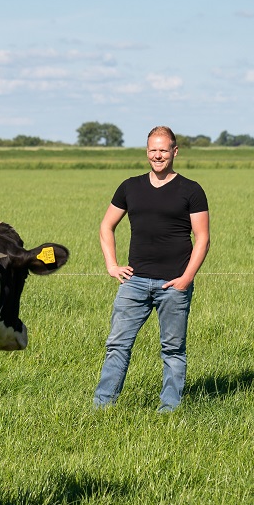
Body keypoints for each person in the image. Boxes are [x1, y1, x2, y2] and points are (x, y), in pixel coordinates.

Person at [93, 126, 210, 413]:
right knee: (117, 345)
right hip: (134, 282)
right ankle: (102, 406)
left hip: (173, 284)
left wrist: (185, 279)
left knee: (172, 350)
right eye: (153, 150)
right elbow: (106, 226)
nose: (158, 155)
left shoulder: (191, 190)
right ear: (147, 152)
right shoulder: (130, 187)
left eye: (164, 150)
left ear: (175, 151)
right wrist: (111, 265)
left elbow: (203, 238)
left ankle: (169, 409)